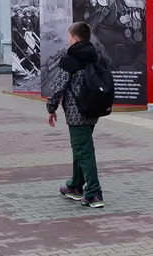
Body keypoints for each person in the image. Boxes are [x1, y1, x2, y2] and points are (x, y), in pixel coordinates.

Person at [44, 21, 107, 209]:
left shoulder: (70, 59)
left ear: (76, 38)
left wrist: (50, 108)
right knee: (81, 147)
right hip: (93, 109)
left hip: (76, 111)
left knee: (84, 150)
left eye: (69, 36)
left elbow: (58, 86)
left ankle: (94, 193)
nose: (68, 39)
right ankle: (75, 186)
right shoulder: (96, 56)